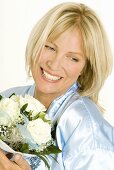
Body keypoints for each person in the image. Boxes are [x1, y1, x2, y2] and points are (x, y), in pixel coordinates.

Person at [0, 2, 114, 170]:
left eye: (73, 58)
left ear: (85, 68)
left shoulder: (87, 130)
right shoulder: (8, 99)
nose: (54, 64)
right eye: (50, 47)